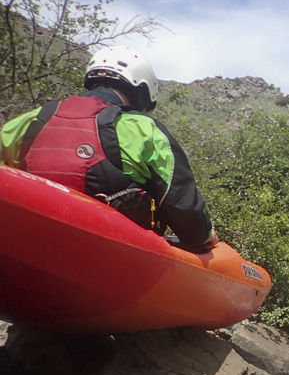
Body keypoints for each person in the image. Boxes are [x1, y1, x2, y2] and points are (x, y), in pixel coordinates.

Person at [0, 47, 218, 252]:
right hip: (108, 254)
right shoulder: (143, 128)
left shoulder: (27, 121)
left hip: (23, 239)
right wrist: (203, 237)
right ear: (141, 92)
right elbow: (182, 204)